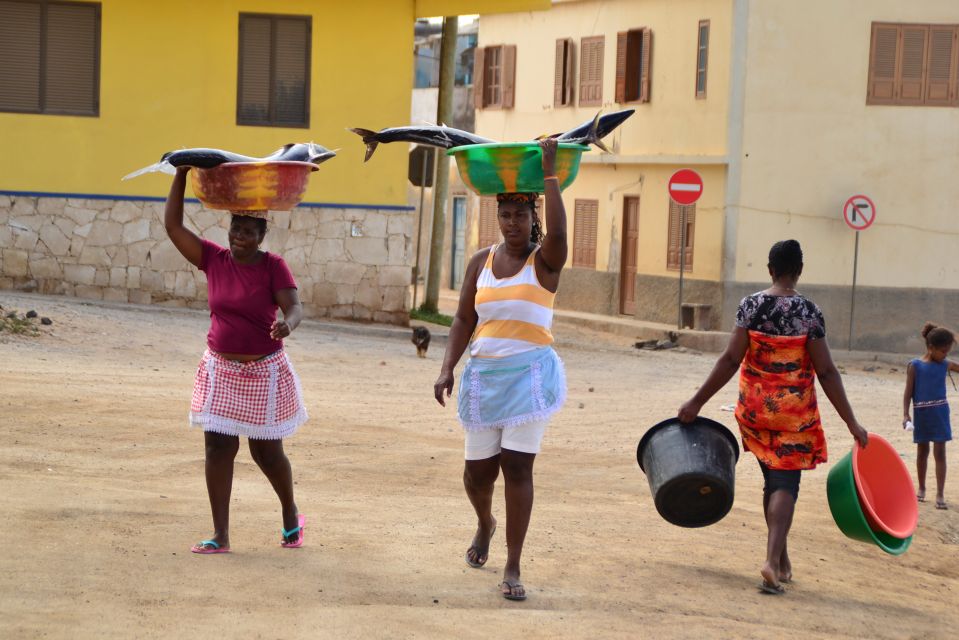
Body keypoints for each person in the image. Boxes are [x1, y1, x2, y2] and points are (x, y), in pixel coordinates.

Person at [678, 239, 868, 595]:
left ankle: (780, 557)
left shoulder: (750, 306)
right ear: (798, 271)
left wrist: (696, 402)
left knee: (773, 481)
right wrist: (851, 423)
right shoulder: (809, 312)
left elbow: (730, 360)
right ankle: (770, 561)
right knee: (785, 485)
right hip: (793, 416)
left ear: (770, 269)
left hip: (755, 412)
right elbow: (826, 371)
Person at [433, 138, 568, 601]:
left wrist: (549, 173)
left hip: (529, 378)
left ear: (534, 218)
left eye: (521, 215)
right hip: (484, 378)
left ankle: (512, 564)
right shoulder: (480, 263)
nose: (513, 223)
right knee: (476, 475)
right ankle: (485, 522)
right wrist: (447, 367)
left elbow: (561, 239)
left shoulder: (544, 262)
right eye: (505, 215)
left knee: (517, 469)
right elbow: (463, 319)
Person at [164, 166, 308, 554]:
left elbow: (293, 305)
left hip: (263, 371)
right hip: (221, 369)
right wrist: (180, 173)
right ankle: (221, 534)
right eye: (235, 229)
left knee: (267, 452)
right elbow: (174, 227)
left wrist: (287, 325)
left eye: (248, 232)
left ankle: (290, 513)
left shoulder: (273, 266)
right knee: (217, 449)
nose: (240, 237)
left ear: (262, 236)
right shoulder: (213, 259)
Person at [903, 322, 955, 510]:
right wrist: (905, 414)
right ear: (931, 348)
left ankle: (940, 493)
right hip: (922, 415)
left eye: (948, 351)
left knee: (940, 453)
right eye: (943, 351)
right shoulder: (915, 366)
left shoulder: (945, 364)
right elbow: (908, 392)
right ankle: (922, 488)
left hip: (940, 414)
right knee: (922, 452)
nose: (946, 355)